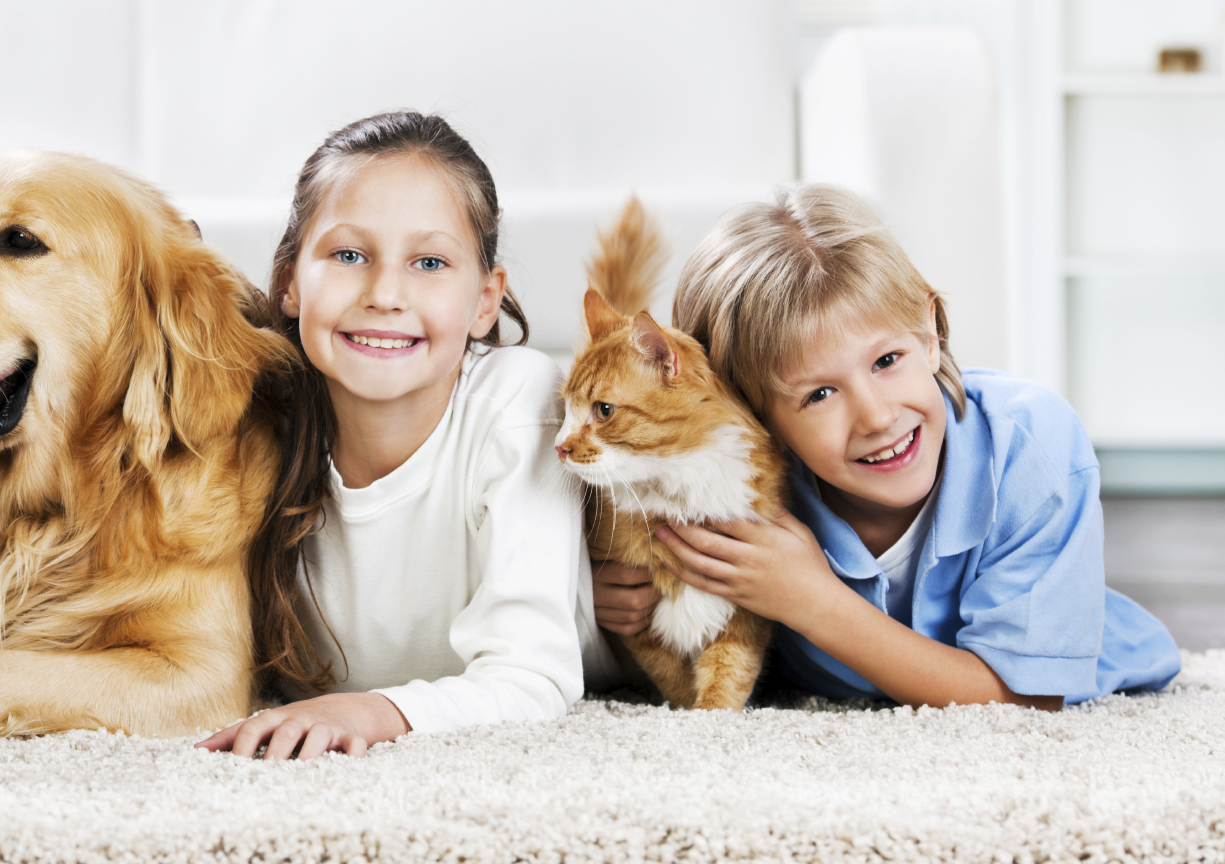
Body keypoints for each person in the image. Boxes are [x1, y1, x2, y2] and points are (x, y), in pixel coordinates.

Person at [596, 184, 1180, 708]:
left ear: (929, 334)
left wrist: (813, 601)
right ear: (753, 418)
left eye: (887, 360)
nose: (877, 416)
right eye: (819, 393)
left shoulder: (1032, 448)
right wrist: (603, 597)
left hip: (1071, 660)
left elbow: (1026, 700)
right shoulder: (739, 485)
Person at [198, 112, 608, 759]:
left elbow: (533, 678)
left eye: (428, 261)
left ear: (484, 300)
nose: (385, 292)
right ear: (288, 283)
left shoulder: (514, 397)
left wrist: (367, 711)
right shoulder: (254, 428)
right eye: (349, 255)